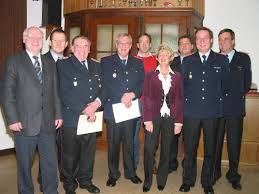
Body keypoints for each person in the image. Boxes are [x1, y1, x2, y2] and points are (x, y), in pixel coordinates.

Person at [2, 26, 63, 194]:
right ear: (24, 40)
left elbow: (55, 92)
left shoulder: (49, 62)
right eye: (31, 37)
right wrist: (12, 119)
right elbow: (7, 93)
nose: (36, 40)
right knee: (24, 165)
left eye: (39, 37)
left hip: (48, 123)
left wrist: (58, 114)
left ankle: (51, 191)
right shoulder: (13, 61)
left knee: (50, 163)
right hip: (24, 123)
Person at [179, 27, 229, 194]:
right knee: (190, 149)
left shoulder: (221, 60)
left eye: (205, 38)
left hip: (212, 113)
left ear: (211, 40)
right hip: (191, 112)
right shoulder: (187, 61)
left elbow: (226, 87)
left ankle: (208, 182)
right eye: (198, 38)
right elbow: (183, 87)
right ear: (195, 42)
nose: (201, 41)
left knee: (210, 150)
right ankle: (187, 180)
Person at [57, 35, 103, 194]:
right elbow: (64, 92)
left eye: (86, 46)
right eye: (78, 46)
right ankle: (69, 183)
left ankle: (85, 180)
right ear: (72, 48)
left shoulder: (96, 66)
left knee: (88, 152)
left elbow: (104, 89)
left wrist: (97, 104)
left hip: (92, 117)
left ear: (90, 49)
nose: (82, 49)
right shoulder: (63, 65)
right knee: (69, 154)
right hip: (73, 117)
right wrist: (86, 110)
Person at [101, 33, 144, 187]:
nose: (124, 46)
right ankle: (113, 174)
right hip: (114, 109)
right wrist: (122, 97)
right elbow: (105, 84)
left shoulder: (138, 63)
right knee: (113, 144)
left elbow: (142, 84)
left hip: (130, 109)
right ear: (116, 45)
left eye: (127, 43)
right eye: (121, 43)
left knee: (129, 143)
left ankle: (130, 172)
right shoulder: (106, 62)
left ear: (131, 45)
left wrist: (132, 94)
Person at [214, 28, 252, 190]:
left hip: (235, 109)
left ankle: (233, 175)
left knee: (234, 144)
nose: (223, 42)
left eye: (226, 39)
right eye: (221, 39)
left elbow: (246, 84)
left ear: (233, 41)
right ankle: (214, 172)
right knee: (215, 143)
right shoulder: (214, 58)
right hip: (216, 109)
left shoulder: (243, 58)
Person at [142, 44, 183, 192]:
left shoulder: (177, 77)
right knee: (149, 149)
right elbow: (146, 97)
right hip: (153, 117)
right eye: (161, 55)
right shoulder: (150, 75)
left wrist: (178, 122)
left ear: (171, 58)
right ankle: (147, 180)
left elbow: (179, 99)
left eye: (167, 55)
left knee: (167, 149)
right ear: (157, 58)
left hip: (170, 118)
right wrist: (147, 120)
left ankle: (161, 179)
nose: (164, 57)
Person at [38, 28, 68, 189]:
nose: (58, 43)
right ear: (49, 42)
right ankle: (44, 180)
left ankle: (63, 176)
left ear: (66, 44)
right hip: (47, 115)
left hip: (65, 113)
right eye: (55, 40)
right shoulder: (40, 60)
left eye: (62, 41)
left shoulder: (68, 62)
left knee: (63, 149)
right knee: (47, 152)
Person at [169, 35, 193, 173]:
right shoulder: (172, 62)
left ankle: (187, 165)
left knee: (189, 138)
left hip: (191, 107)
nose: (184, 46)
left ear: (192, 46)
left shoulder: (197, 61)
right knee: (172, 137)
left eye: (187, 43)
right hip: (174, 106)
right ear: (178, 47)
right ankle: (171, 164)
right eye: (181, 44)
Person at [134, 33, 157, 170]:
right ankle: (134, 162)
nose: (143, 44)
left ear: (150, 44)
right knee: (133, 135)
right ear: (137, 45)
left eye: (146, 42)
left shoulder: (157, 60)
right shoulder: (131, 60)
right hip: (136, 103)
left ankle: (151, 162)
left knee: (151, 135)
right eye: (141, 42)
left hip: (152, 104)